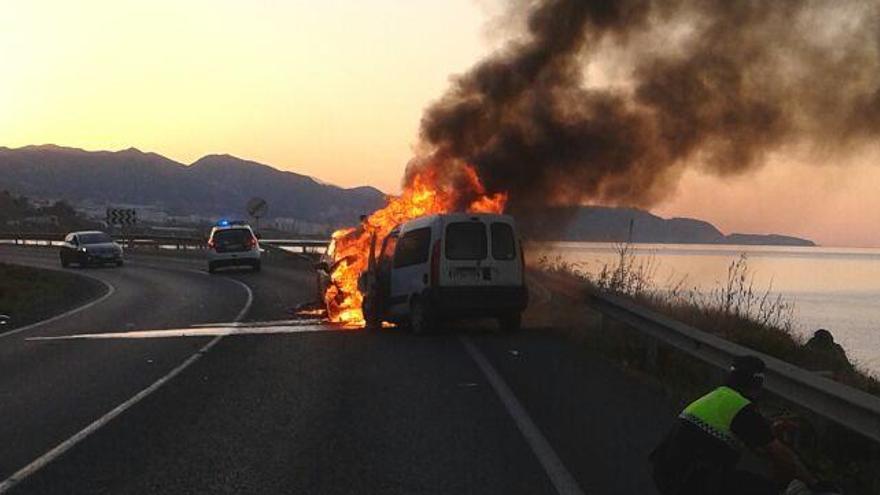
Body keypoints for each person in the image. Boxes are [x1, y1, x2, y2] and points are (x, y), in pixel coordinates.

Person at [650, 356, 822, 495]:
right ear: (757, 384)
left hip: (666, 471)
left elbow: (757, 445)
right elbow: (779, 454)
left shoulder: (719, 396)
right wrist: (813, 483)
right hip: (690, 479)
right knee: (763, 489)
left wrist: (770, 433)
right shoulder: (742, 409)